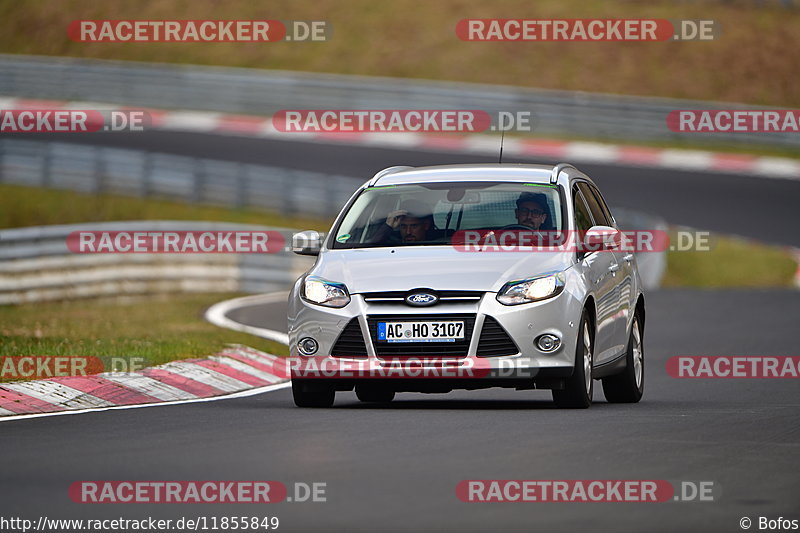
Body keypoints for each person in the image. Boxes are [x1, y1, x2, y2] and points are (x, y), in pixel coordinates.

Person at [369, 200, 434, 244]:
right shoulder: (391, 243)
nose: (408, 232)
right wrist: (388, 226)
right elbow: (370, 248)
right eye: (403, 226)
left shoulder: (439, 245)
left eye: (414, 226)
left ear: (426, 225)